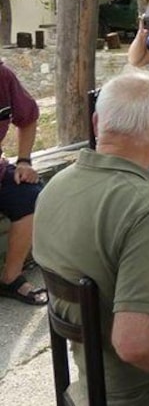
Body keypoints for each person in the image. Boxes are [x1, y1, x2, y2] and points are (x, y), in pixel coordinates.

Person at [33, 72, 149, 405]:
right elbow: (135, 343)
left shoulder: (54, 188)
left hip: (92, 382)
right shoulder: (147, 208)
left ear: (97, 123)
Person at [0, 62, 45, 306]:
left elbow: (27, 116)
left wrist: (24, 160)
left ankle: (11, 277)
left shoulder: (3, 76)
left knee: (32, 195)